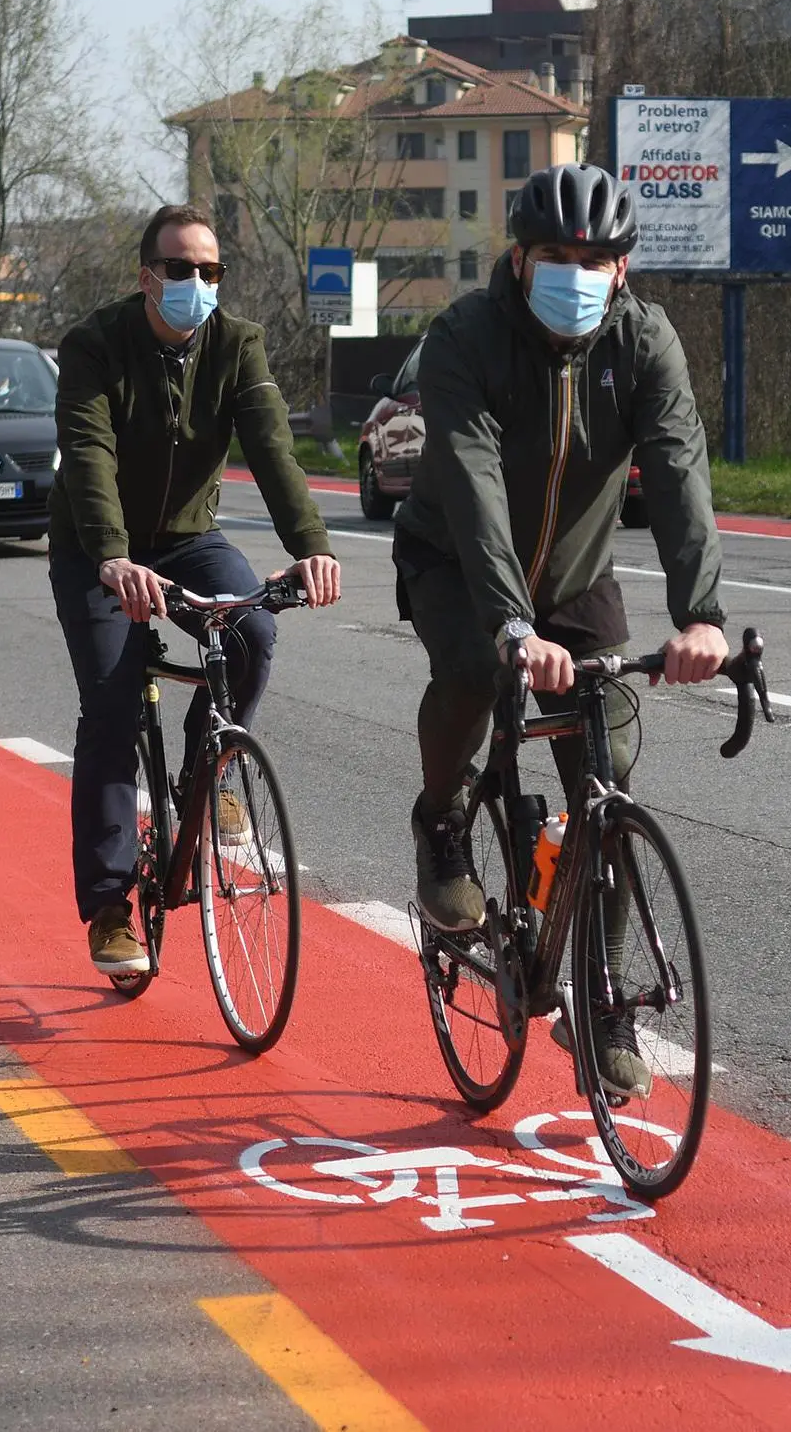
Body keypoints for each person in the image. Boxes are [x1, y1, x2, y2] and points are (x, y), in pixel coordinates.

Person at [394, 162, 728, 1099]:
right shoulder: (465, 334)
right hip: (457, 563)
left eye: (593, 258)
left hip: (577, 581)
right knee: (468, 669)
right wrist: (505, 622)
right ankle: (444, 823)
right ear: (518, 256)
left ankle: (607, 1000)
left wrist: (698, 613)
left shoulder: (645, 341)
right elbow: (472, 486)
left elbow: (676, 473)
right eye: (553, 256)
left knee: (606, 774)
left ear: (620, 269)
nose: (572, 273)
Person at [48, 203, 342, 977]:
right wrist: (111, 557)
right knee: (111, 705)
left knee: (252, 630)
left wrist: (310, 547)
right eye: (180, 269)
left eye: (210, 270)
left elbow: (273, 448)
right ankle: (111, 905)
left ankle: (205, 774)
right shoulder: (93, 345)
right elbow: (86, 453)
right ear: (147, 277)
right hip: (96, 549)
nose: (196, 282)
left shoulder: (236, 344)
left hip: (187, 538)